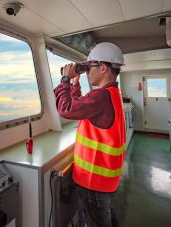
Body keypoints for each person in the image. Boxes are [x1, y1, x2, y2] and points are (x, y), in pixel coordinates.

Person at [54, 42, 126, 227]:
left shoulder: (101, 96)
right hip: (104, 181)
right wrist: (75, 84)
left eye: (89, 67)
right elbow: (81, 106)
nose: (87, 71)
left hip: (94, 182)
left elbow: (66, 109)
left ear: (103, 68)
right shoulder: (111, 93)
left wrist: (65, 80)